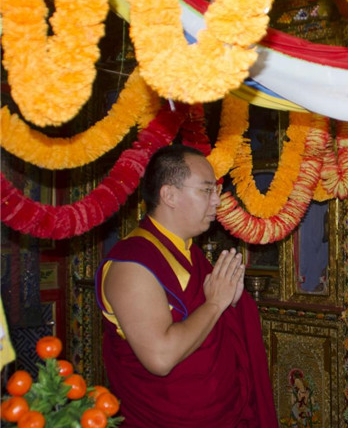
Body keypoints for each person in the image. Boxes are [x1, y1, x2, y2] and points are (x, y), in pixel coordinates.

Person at [95, 144, 278, 427]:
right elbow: (160, 357)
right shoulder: (132, 263)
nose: (217, 201)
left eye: (216, 190)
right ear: (169, 195)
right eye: (206, 190)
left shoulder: (189, 252)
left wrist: (231, 303)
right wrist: (215, 304)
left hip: (222, 414)